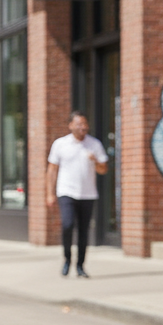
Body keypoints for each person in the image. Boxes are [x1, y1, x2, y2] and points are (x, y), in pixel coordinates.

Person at [47, 111, 109, 278]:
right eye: (79, 124)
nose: (83, 127)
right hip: (66, 191)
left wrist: (95, 161)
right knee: (67, 225)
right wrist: (50, 193)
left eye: (85, 124)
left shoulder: (94, 144)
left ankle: (80, 266)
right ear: (71, 126)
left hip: (87, 194)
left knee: (83, 231)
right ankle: (67, 259)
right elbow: (52, 170)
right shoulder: (60, 144)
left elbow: (104, 169)